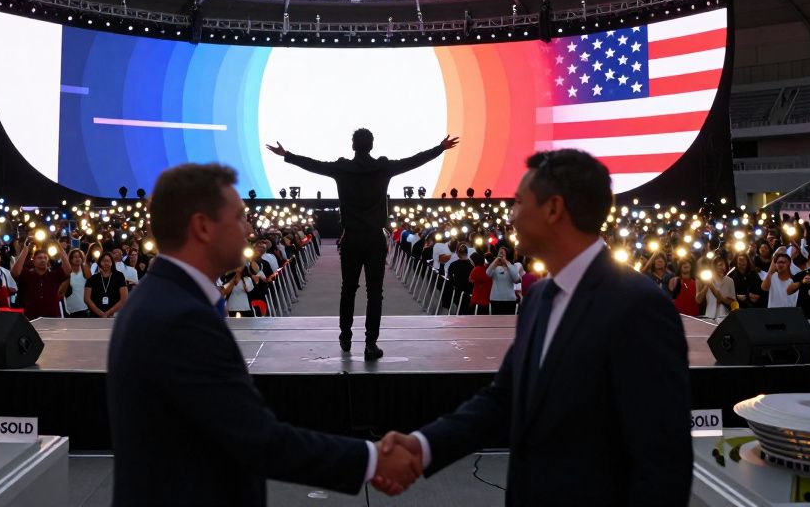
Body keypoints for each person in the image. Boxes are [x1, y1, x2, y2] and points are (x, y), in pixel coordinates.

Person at [374, 149, 692, 505]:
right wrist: (424, 445)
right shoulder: (540, 298)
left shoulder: (639, 307)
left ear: (554, 209)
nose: (512, 216)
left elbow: (663, 461)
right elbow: (504, 399)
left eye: (519, 203)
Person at [106, 162, 422, 506]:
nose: (249, 227)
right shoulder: (178, 318)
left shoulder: (166, 299)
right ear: (202, 227)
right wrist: (372, 460)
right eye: (240, 216)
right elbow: (256, 437)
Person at [267, 131, 459, 359]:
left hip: (351, 239)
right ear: (372, 145)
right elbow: (413, 161)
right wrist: (440, 148)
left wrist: (286, 155)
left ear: (353, 145)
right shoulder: (383, 168)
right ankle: (370, 344)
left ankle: (345, 336)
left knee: (348, 289)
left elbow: (313, 165)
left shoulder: (342, 168)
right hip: (374, 240)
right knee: (374, 293)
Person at [84, 253, 127, 318]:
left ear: (112, 263)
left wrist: (108, 312)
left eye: (108, 261)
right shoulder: (92, 278)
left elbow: (124, 298)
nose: (106, 263)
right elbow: (87, 299)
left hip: (114, 315)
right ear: (99, 263)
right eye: (104, 261)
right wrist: (100, 313)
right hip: (96, 316)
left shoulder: (119, 276)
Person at [487, 247, 522, 314]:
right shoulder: (494, 267)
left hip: (509, 299)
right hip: (496, 299)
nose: (501, 254)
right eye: (499, 253)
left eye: (503, 253)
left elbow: (516, 278)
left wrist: (506, 262)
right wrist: (496, 260)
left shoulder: (512, 266)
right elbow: (488, 273)